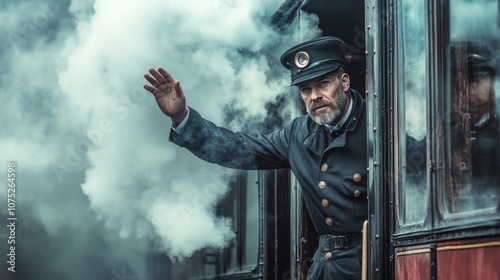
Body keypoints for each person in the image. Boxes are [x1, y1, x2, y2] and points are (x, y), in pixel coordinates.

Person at [143, 36, 367, 280]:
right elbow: (239, 149)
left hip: (370, 263)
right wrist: (181, 117)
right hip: (324, 269)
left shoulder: (378, 125)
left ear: (344, 82)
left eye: (323, 84)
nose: (314, 96)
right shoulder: (298, 134)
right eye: (305, 89)